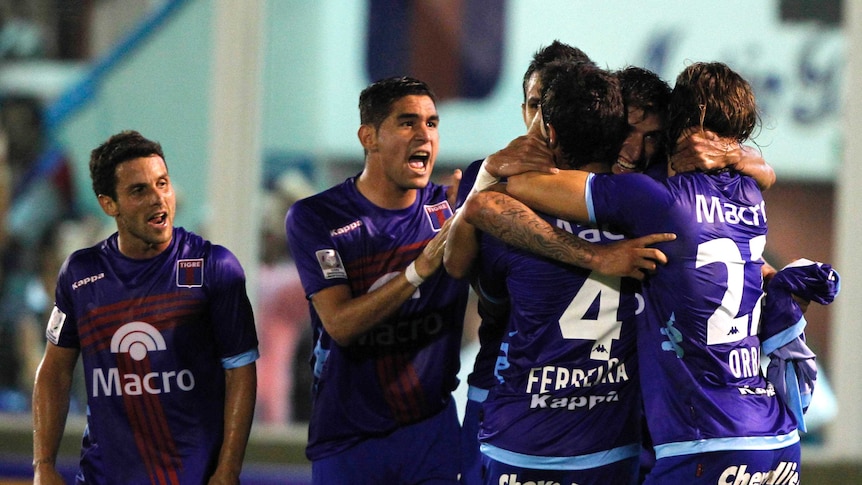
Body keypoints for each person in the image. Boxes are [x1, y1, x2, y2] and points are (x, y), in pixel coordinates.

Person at [485, 61, 800, 484]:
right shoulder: (745, 191)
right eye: (629, 131)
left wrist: (500, 172)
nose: (634, 150)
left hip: (685, 437)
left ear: (674, 134)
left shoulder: (650, 194)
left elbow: (498, 196)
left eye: (652, 136)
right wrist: (740, 154)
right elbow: (481, 208)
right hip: (760, 428)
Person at [32, 130, 259, 485]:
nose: (159, 199)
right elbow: (54, 371)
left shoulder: (215, 268)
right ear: (109, 204)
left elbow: (241, 372)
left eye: (163, 183)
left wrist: (228, 469)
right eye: (139, 190)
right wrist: (43, 465)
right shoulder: (80, 274)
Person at [285, 76, 469, 484]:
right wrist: (421, 268)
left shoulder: (452, 211)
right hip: (349, 438)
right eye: (407, 123)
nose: (424, 134)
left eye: (432, 123)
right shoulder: (318, 217)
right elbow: (341, 324)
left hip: (431, 431)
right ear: (368, 136)